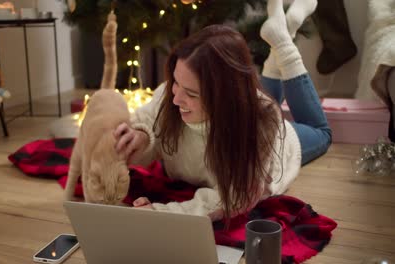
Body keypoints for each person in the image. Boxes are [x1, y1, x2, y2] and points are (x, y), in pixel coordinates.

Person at [114, 0, 330, 222]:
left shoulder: (261, 126)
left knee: (321, 132)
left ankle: (284, 43)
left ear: (224, 97)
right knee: (265, 101)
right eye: (175, 82)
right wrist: (140, 135)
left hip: (282, 145)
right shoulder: (171, 94)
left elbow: (233, 199)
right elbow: (148, 120)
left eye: (192, 93)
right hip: (251, 107)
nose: (176, 98)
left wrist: (159, 213)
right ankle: (281, 32)